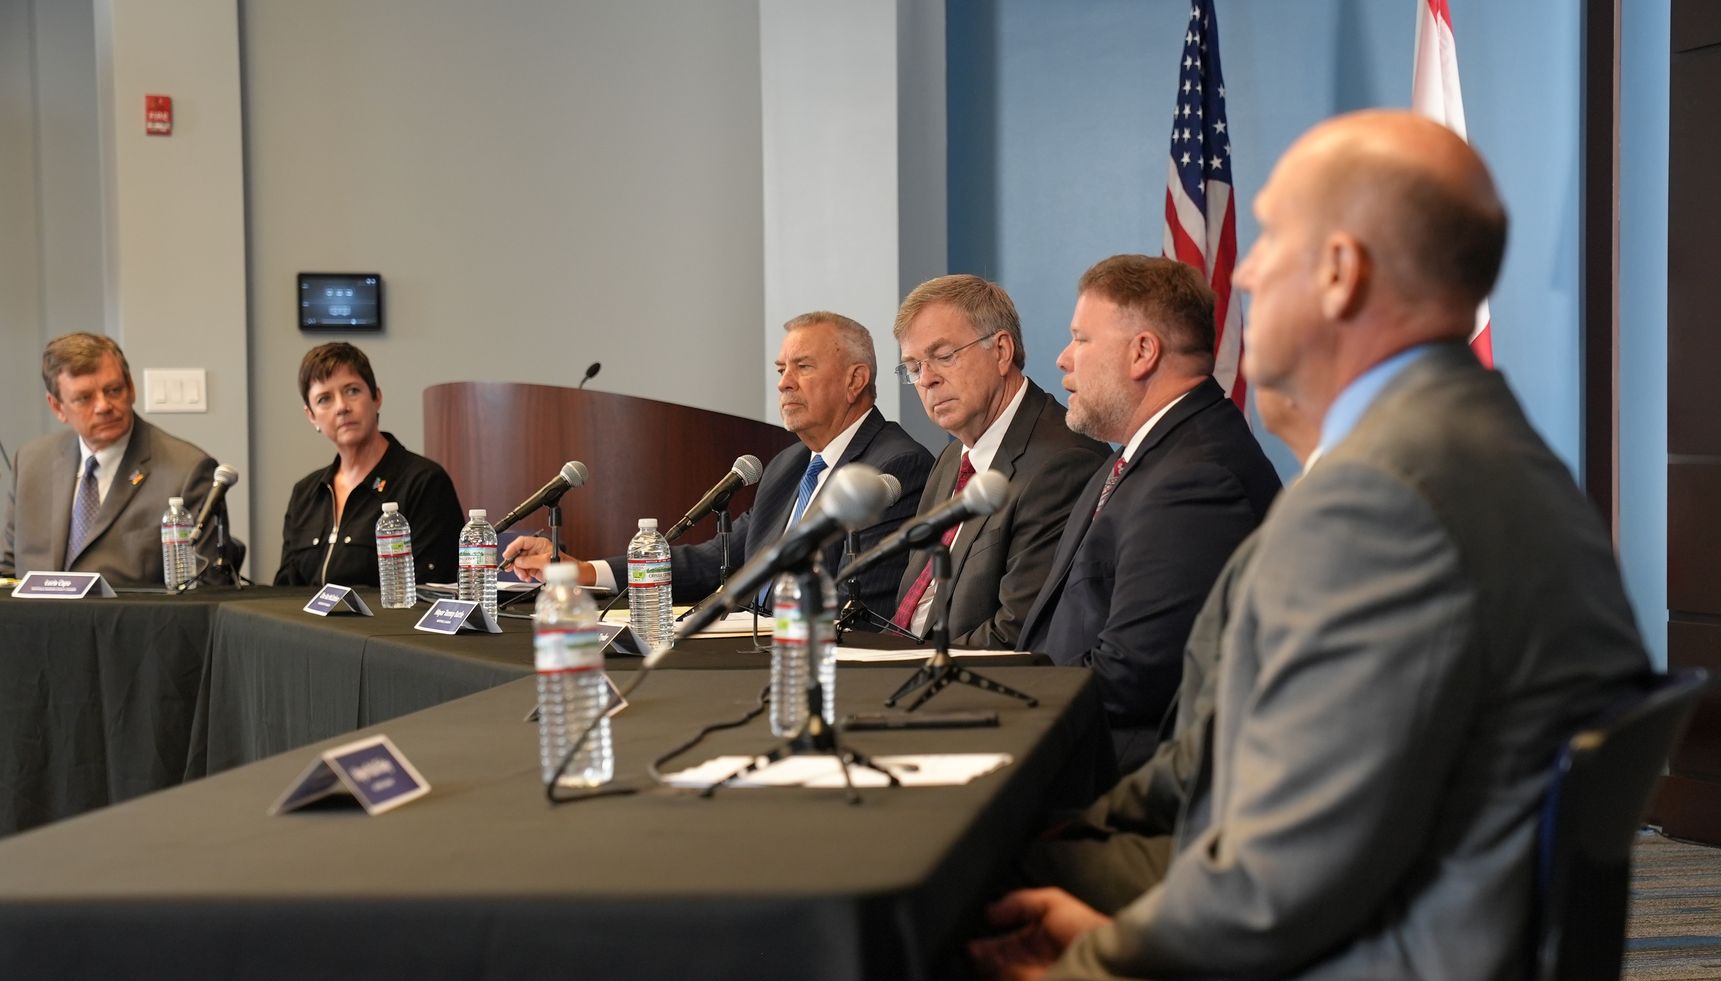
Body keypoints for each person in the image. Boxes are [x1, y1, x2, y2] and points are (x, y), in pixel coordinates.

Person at [940, 111, 1653, 981]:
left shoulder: (1383, 499)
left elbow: (1278, 887)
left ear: (1340, 271)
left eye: (1269, 237)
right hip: (1404, 963)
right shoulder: (1470, 452)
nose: (1241, 272)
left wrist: (1092, 954)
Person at [1017, 254, 1280, 778]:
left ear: (1142, 353)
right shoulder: (1142, 454)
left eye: (1081, 339)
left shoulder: (1195, 478)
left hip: (1117, 783)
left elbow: (1133, 676)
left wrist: (1007, 711)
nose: (1064, 359)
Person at [504, 312, 934, 609]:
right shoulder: (789, 465)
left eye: (802, 367)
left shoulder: (894, 466)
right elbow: (717, 558)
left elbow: (856, 599)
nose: (784, 383)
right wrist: (583, 570)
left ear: (855, 380)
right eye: (780, 368)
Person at [889, 274, 1107, 647]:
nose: (927, 380)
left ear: (1002, 351)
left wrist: (899, 667)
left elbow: (1015, 633)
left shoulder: (1062, 463)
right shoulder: (950, 459)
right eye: (914, 368)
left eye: (943, 357)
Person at [2, 332, 240, 587]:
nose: (103, 406)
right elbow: (8, 570)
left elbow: (207, 588)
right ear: (58, 407)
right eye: (85, 398)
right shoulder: (31, 462)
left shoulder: (187, 470)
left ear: (131, 388)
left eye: (113, 390)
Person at [273, 342, 462, 588]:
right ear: (311, 416)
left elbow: (435, 590)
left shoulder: (424, 482)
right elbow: (285, 592)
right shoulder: (305, 494)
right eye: (325, 399)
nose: (342, 407)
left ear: (376, 397)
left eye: (352, 391)